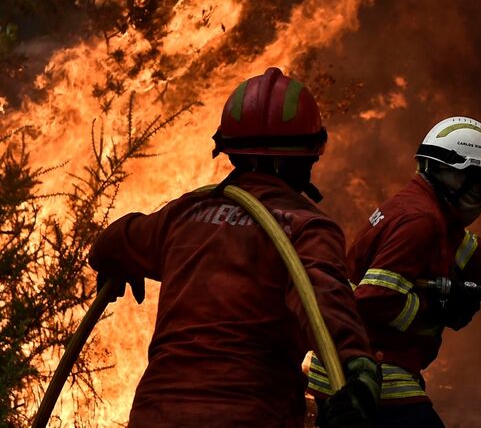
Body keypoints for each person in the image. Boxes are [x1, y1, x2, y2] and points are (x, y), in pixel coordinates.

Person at [89, 67, 379, 428]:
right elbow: (325, 304)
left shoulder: (185, 213)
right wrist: (358, 368)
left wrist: (116, 267)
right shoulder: (308, 228)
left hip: (156, 414)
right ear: (311, 153)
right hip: (251, 415)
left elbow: (111, 242)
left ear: (227, 149)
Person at [307, 116, 481, 427]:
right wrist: (437, 308)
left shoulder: (425, 209)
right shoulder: (421, 221)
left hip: (350, 359)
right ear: (458, 178)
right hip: (372, 366)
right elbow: (373, 300)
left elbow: (465, 249)